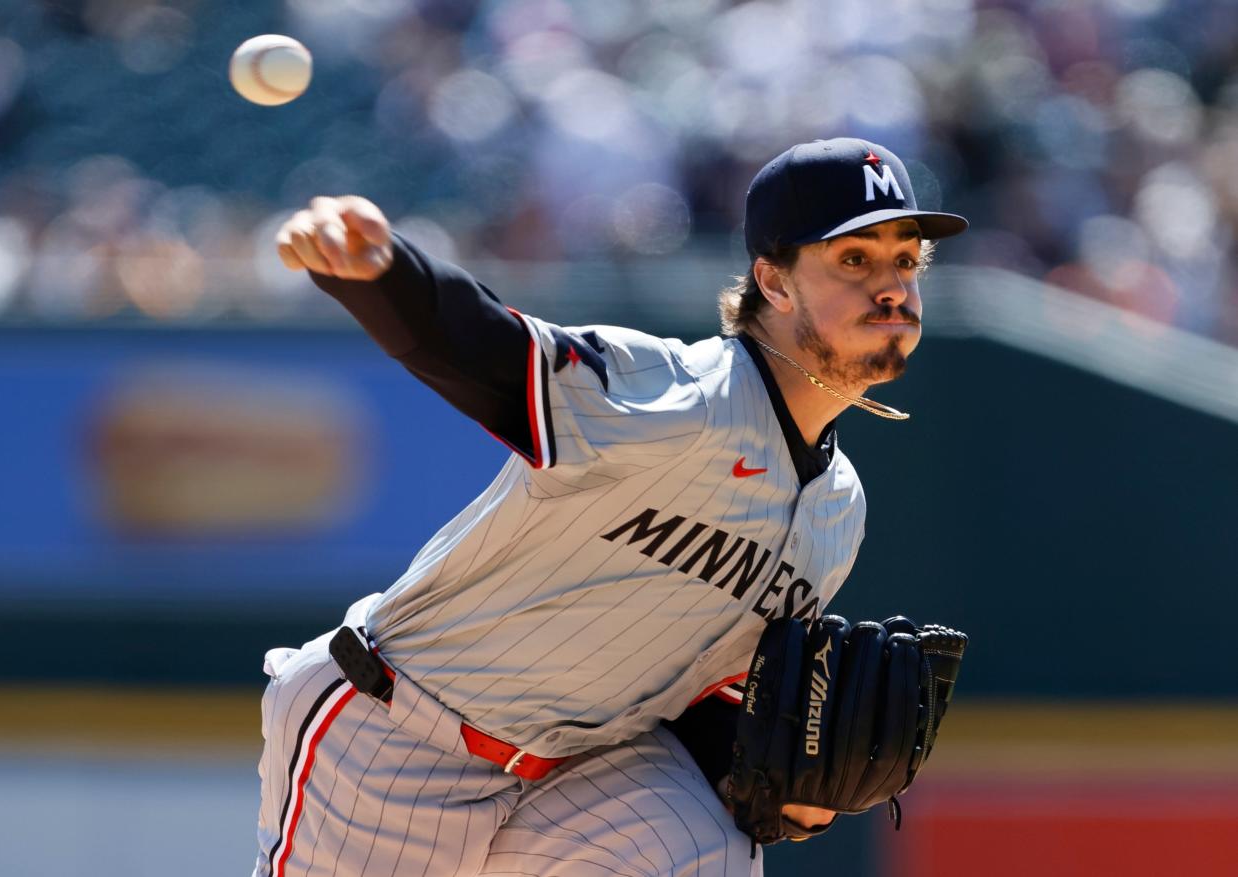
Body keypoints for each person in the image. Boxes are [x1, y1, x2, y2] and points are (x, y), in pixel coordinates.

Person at [254, 137, 968, 877]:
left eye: (907, 260)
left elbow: (702, 703)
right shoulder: (679, 395)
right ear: (774, 281)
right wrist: (384, 275)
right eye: (855, 260)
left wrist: (792, 786)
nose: (892, 287)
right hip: (398, 735)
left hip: (583, 770)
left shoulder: (839, 511)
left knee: (709, 854)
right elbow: (494, 354)